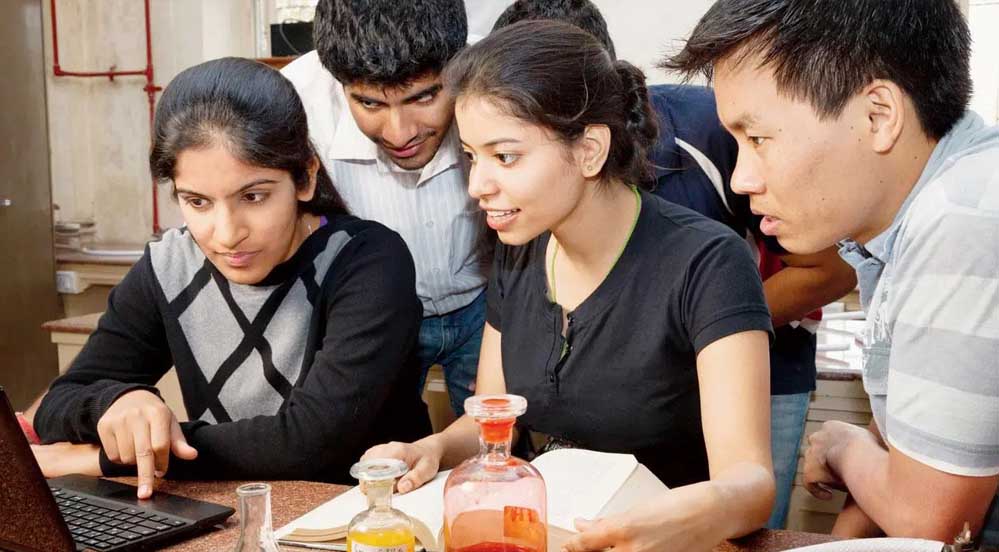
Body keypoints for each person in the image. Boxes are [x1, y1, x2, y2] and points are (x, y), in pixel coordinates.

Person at [365, 21, 776, 552]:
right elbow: (494, 420)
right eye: (470, 156)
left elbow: (750, 485)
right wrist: (435, 448)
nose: (477, 185)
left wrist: (670, 519)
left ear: (589, 150)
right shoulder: (519, 249)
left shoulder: (707, 262)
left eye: (505, 156)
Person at [492, 0, 857, 529]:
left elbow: (833, 269)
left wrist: (700, 335)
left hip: (763, 363)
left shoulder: (711, 132)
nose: (484, 181)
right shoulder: (524, 234)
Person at [664, 0, 999, 543]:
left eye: (759, 139)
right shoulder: (916, 215)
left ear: (878, 116)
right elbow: (908, 438)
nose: (742, 179)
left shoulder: (962, 219)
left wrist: (842, 446)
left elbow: (932, 519)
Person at [30, 57, 431, 497]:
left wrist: (106, 458)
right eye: (197, 202)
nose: (227, 234)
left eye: (253, 196)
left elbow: (310, 441)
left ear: (305, 177)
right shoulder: (169, 265)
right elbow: (59, 404)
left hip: (367, 512)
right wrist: (118, 402)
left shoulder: (369, 262)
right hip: (241, 510)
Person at [281, 0, 490, 416]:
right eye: (371, 104)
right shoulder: (294, 103)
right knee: (379, 447)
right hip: (371, 320)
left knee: (497, 440)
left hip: (486, 307)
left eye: (424, 96)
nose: (400, 134)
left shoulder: (496, 72)